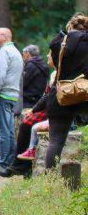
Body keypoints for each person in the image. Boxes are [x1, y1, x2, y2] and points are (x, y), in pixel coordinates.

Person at [44, 14, 88, 169]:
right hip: (85, 94)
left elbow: (52, 63)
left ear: (70, 26)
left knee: (55, 140)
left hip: (61, 95)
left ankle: (50, 179)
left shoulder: (58, 42)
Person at [0, 28, 24, 176]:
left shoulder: (3, 52)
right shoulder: (15, 51)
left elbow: (0, 75)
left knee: (3, 131)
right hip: (11, 94)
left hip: (3, 95)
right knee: (8, 130)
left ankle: (3, 163)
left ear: (5, 36)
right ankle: (9, 161)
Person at [20, 44, 48, 111]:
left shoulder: (30, 65)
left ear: (27, 53)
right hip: (38, 100)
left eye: (23, 54)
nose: (22, 56)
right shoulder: (43, 64)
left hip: (27, 102)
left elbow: (22, 83)